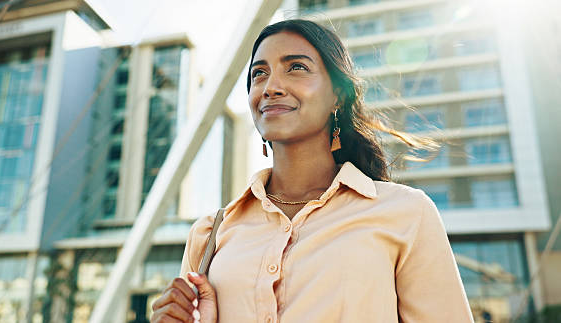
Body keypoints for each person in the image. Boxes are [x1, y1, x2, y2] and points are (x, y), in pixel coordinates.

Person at [150, 19, 474, 323]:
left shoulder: (406, 213)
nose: (271, 86)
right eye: (259, 74)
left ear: (337, 95)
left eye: (296, 68)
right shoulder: (210, 234)